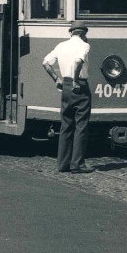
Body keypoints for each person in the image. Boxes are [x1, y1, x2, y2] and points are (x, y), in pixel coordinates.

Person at [42, 20, 93, 174]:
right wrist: (77, 80)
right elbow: (78, 62)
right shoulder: (84, 46)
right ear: (84, 34)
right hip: (80, 86)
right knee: (81, 125)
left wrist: (57, 79)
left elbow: (45, 63)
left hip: (66, 86)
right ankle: (77, 164)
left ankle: (62, 164)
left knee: (66, 125)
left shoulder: (61, 46)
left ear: (71, 32)